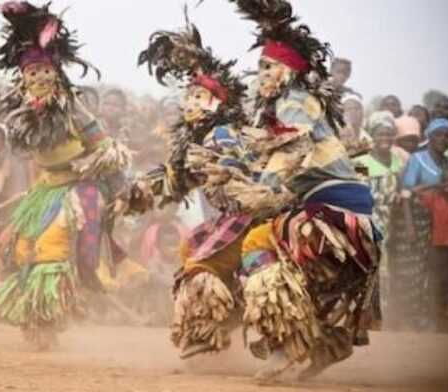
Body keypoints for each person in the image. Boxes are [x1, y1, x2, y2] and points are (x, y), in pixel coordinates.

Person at [218, 0, 380, 380]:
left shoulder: (293, 103)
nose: (260, 74)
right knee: (311, 279)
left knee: (258, 246)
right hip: (351, 210)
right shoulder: (303, 105)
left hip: (330, 210)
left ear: (289, 72)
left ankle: (283, 344)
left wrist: (261, 189)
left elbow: (292, 148)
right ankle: (328, 342)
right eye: (260, 66)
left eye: (269, 66)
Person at [0, 2, 131, 350]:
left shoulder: (74, 110)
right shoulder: (21, 116)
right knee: (22, 248)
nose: (39, 79)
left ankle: (52, 316)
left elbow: (108, 149)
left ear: (57, 74)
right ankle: (33, 317)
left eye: (45, 72)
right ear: (22, 79)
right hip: (45, 189)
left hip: (80, 190)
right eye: (32, 74)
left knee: (52, 247)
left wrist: (107, 181)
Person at [118, 13, 249, 358]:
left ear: (218, 104)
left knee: (200, 267)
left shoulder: (225, 134)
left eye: (199, 98)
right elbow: (174, 180)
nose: (190, 103)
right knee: (192, 251)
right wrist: (140, 191)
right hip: (228, 219)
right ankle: (214, 329)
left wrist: (225, 167)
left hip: (249, 216)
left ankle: (214, 328)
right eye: (188, 97)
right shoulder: (195, 141)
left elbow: (241, 168)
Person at [394, 118, 448, 331]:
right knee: (414, 270)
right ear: (430, 136)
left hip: (441, 221)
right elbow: (406, 194)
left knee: (433, 269)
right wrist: (409, 226)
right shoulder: (418, 159)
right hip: (417, 219)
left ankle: (429, 316)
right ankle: (410, 317)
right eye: (439, 134)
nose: (444, 140)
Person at [355, 111, 404, 327]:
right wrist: (393, 196)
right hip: (370, 221)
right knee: (374, 268)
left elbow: (404, 190)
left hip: (395, 222)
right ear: (372, 135)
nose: (385, 138)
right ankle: (370, 316)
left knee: (391, 269)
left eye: (389, 134)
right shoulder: (360, 162)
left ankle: (385, 314)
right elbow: (361, 194)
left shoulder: (398, 161)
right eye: (380, 133)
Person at [417, 166, 448, 329]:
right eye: (445, 180)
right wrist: (435, 184)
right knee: (438, 281)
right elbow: (415, 191)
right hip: (437, 246)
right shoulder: (434, 197)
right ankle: (439, 319)